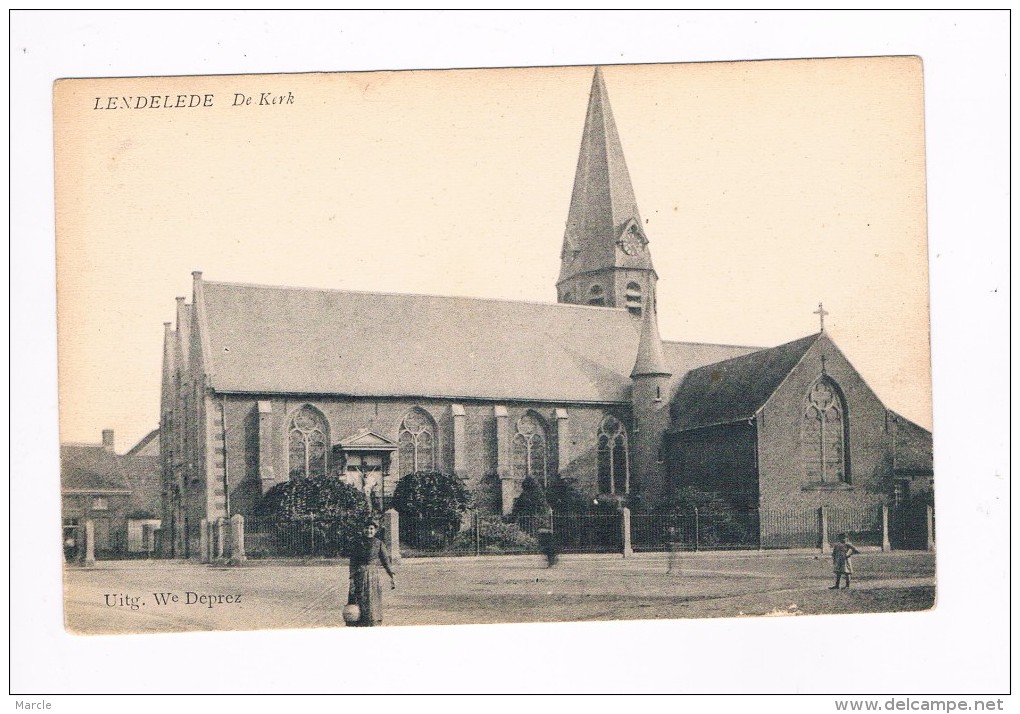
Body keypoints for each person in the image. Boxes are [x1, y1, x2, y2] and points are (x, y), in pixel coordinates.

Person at [347, 521, 395, 626]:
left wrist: (391, 575)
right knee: (359, 597)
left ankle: (373, 619)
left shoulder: (379, 543)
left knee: (372, 597)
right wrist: (351, 577)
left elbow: (385, 561)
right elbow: (353, 562)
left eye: (371, 529)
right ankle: (359, 619)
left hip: (373, 575)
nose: (369, 531)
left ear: (375, 530)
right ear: (363, 530)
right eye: (366, 528)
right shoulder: (357, 543)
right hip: (359, 574)